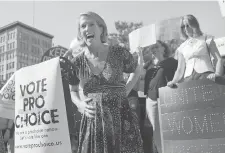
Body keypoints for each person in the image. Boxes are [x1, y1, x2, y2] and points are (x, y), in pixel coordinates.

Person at [68, 11, 144, 153]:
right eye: (83, 26)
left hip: (122, 120)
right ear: (80, 32)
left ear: (101, 28)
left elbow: (136, 70)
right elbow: (72, 90)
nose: (87, 29)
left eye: (91, 24)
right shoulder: (76, 62)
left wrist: (124, 91)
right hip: (94, 123)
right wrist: (80, 105)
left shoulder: (119, 53)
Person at [167, 14, 223, 86]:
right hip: (188, 79)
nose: (185, 29)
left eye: (188, 25)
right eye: (183, 27)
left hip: (206, 76)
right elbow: (180, 69)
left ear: (194, 25)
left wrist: (217, 74)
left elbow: (219, 59)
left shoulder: (206, 39)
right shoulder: (181, 47)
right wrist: (173, 81)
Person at [143, 40, 178, 153]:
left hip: (167, 100)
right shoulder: (149, 65)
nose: (153, 49)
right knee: (156, 132)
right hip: (151, 101)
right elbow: (140, 76)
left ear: (163, 48)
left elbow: (179, 78)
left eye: (156, 46)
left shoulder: (172, 62)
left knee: (170, 130)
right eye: (152, 48)